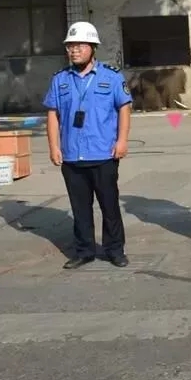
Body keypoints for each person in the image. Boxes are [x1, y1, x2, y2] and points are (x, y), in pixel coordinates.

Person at [43, 21, 133, 269]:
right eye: (70, 46)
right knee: (80, 208)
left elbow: (124, 108)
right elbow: (52, 115)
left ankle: (115, 250)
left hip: (103, 154)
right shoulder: (60, 80)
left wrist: (122, 141)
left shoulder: (111, 77)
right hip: (72, 156)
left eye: (80, 45)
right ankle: (84, 251)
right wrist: (54, 147)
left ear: (93, 47)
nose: (74, 50)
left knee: (109, 206)